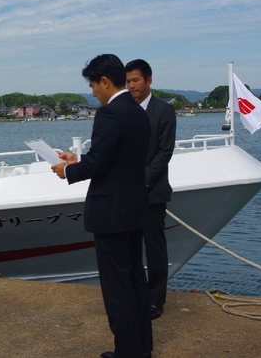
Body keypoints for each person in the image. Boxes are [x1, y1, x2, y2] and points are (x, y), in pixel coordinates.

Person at [52, 54, 153, 358]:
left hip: (110, 213)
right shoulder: (138, 112)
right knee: (136, 278)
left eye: (93, 85)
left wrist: (67, 170)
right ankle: (142, 348)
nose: (93, 92)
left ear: (105, 81)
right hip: (135, 208)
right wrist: (79, 159)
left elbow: (100, 162)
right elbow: (115, 160)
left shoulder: (108, 114)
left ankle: (126, 351)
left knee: (116, 285)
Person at [125, 59, 176, 320]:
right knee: (128, 249)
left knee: (155, 249)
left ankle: (156, 301)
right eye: (128, 81)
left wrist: (142, 182)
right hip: (124, 193)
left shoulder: (164, 111)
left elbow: (164, 153)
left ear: (148, 80)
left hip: (151, 192)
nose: (132, 85)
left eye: (136, 80)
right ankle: (135, 295)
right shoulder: (124, 110)